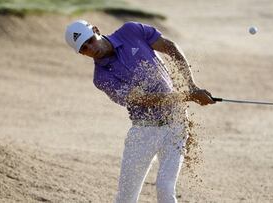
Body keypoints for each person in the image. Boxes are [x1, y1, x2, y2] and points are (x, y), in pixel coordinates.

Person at [65, 19, 215, 203]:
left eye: (90, 40)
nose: (91, 48)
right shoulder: (101, 77)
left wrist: (191, 86)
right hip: (144, 132)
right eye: (84, 48)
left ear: (96, 30)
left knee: (165, 189)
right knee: (125, 198)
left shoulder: (131, 31)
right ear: (81, 54)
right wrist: (186, 97)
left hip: (176, 123)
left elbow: (170, 47)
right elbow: (143, 99)